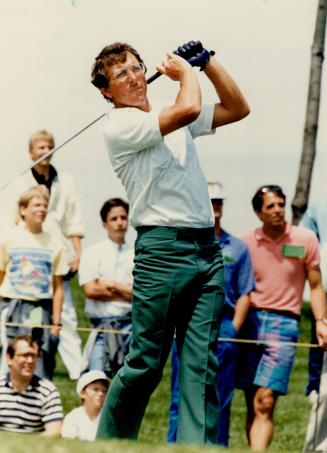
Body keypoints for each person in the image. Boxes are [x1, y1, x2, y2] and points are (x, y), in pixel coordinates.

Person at [90, 40, 250, 444]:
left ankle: (196, 448)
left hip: (205, 251)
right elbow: (190, 108)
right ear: (107, 91)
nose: (133, 76)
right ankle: (110, 443)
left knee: (201, 366)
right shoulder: (119, 125)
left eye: (137, 67)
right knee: (146, 362)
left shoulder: (167, 112)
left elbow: (237, 108)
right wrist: (185, 72)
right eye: (121, 73)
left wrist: (209, 62)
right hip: (160, 250)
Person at [237, 184, 327, 451]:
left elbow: (316, 286)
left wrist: (321, 322)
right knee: (252, 401)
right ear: (258, 213)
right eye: (270, 206)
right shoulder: (245, 242)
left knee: (266, 400)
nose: (278, 211)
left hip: (285, 324)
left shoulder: (305, 239)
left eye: (280, 204)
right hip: (250, 325)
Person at [167, 182, 255, 446]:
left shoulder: (237, 247)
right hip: (188, 325)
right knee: (180, 395)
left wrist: (233, 330)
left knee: (220, 397)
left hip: (223, 326)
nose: (214, 208)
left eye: (218, 203)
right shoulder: (183, 243)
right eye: (209, 202)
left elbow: (245, 294)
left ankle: (217, 448)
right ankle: (174, 447)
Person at [0, 130, 84, 380]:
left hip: (56, 254)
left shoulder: (65, 182)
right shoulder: (20, 182)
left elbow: (74, 220)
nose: (45, 151)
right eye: (40, 147)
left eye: (49, 146)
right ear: (31, 152)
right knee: (13, 330)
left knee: (64, 316)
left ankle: (77, 370)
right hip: (26, 256)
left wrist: (76, 252)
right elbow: (8, 223)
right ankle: (8, 377)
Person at [0, 186, 67, 379]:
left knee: (37, 354)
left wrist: (56, 324)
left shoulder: (54, 243)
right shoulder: (8, 238)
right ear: (23, 209)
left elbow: (58, 286)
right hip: (12, 305)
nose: (42, 209)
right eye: (36, 204)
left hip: (39, 308)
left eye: (45, 205)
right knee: (10, 356)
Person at [79, 198, 133, 376]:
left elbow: (141, 294)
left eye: (123, 217)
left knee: (129, 385)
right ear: (104, 223)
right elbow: (91, 290)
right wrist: (126, 290)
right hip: (102, 327)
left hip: (130, 327)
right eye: (114, 218)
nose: (119, 223)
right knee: (97, 379)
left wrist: (112, 285)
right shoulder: (92, 252)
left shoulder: (136, 254)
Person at [0, 335, 63, 435]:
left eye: (34, 356)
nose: (30, 361)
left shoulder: (48, 390)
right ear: (9, 358)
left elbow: (54, 430)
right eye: (25, 355)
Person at [300, 203, 327, 400]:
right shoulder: (318, 208)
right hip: (325, 286)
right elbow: (303, 243)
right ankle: (315, 385)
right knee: (321, 333)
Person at [61, 370, 109, 441]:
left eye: (104, 391)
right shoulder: (73, 417)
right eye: (95, 389)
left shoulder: (108, 417)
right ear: (82, 393)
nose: (101, 394)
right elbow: (67, 443)